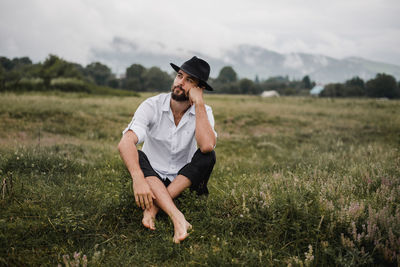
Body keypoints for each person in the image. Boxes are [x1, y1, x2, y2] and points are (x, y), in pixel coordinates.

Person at [118, 56, 217, 243]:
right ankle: (178, 217)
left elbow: (206, 146)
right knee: (136, 154)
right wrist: (138, 179)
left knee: (208, 155)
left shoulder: (204, 111)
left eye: (189, 80)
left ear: (199, 88)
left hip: (183, 179)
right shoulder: (152, 105)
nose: (180, 83)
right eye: (179, 76)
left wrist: (200, 104)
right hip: (151, 176)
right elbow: (125, 142)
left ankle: (154, 207)